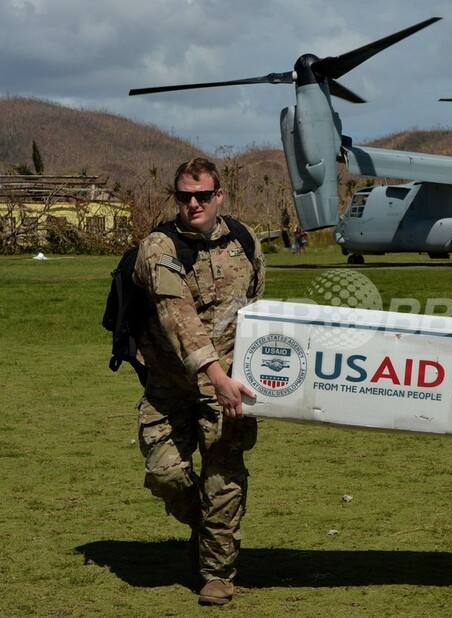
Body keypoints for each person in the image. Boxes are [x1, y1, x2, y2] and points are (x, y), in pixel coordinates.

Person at [133, 157, 265, 606]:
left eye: (203, 195)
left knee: (224, 479)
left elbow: (256, 305)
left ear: (219, 196)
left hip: (230, 386)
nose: (194, 204)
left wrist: (239, 375)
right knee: (164, 473)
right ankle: (207, 529)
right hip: (172, 385)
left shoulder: (246, 241)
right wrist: (214, 372)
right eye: (185, 196)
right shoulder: (157, 248)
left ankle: (217, 574)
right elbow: (177, 315)